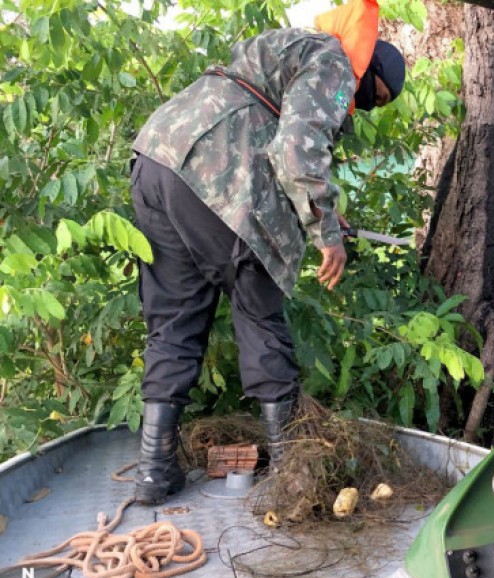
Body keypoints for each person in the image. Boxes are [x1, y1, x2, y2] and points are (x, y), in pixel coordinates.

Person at [129, 0, 406, 505]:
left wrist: (323, 210)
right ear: (371, 68)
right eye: (373, 97)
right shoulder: (336, 60)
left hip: (158, 160)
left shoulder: (294, 46)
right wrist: (327, 234)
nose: (362, 105)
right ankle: (290, 473)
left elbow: (277, 133)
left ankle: (153, 471)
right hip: (220, 174)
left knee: (173, 318)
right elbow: (295, 148)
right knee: (258, 307)